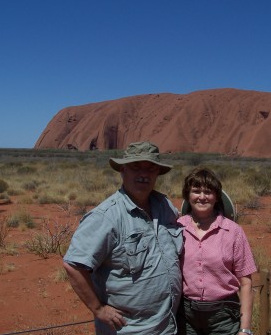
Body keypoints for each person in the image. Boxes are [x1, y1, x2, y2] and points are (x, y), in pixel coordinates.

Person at [63, 141, 183, 335]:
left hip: (168, 325)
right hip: (130, 329)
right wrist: (98, 309)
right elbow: (74, 265)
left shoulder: (164, 205)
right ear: (123, 170)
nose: (144, 174)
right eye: (136, 167)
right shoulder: (106, 217)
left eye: (150, 168)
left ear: (157, 173)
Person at [176, 167, 257, 335]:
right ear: (187, 195)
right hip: (185, 314)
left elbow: (246, 283)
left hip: (223, 316)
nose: (202, 197)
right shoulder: (177, 227)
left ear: (217, 196)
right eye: (196, 191)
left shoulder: (233, 231)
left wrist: (245, 329)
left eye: (208, 192)